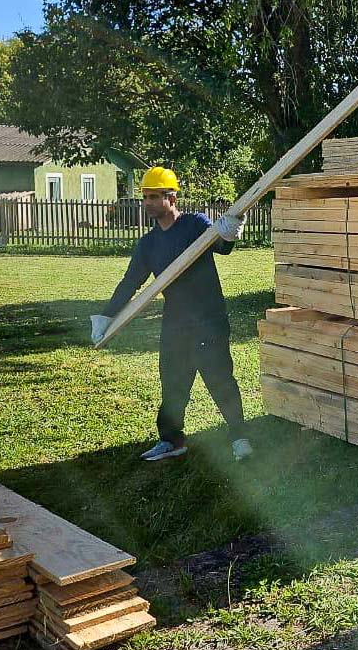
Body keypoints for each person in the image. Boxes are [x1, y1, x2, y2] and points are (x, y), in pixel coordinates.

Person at [89, 166, 253, 462]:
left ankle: (240, 437)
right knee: (173, 383)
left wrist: (229, 231)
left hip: (209, 319)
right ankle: (171, 440)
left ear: (172, 198)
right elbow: (130, 282)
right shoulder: (149, 244)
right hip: (175, 323)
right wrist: (107, 316)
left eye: (154, 197)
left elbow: (222, 246)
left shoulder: (194, 224)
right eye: (145, 197)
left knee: (220, 380)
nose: (148, 203)